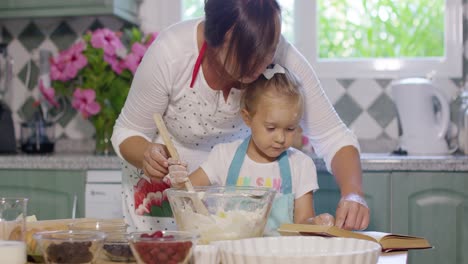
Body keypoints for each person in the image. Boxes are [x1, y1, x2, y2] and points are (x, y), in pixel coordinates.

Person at [111, 0, 369, 232]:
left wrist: (353, 194)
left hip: (234, 217)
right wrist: (148, 153)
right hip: (164, 205)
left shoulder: (279, 52)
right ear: (214, 39)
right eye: (247, 58)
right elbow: (127, 131)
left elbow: (333, 135)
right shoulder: (171, 54)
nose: (260, 65)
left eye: (267, 54)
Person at [168, 64, 335, 235]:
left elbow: (302, 222)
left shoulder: (300, 165)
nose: (280, 138)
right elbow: (185, 193)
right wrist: (179, 181)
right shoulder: (224, 156)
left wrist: (316, 223)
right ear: (247, 118)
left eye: (290, 129)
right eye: (271, 128)